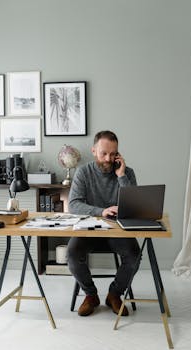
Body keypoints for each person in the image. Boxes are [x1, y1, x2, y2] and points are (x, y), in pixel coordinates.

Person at [67, 130, 141, 317]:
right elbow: (74, 204)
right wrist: (102, 211)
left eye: (113, 153)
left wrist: (121, 176)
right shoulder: (83, 172)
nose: (108, 158)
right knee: (72, 254)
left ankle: (114, 294)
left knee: (134, 255)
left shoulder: (127, 173)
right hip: (89, 230)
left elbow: (135, 206)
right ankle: (91, 295)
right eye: (104, 153)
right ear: (94, 151)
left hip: (117, 231)